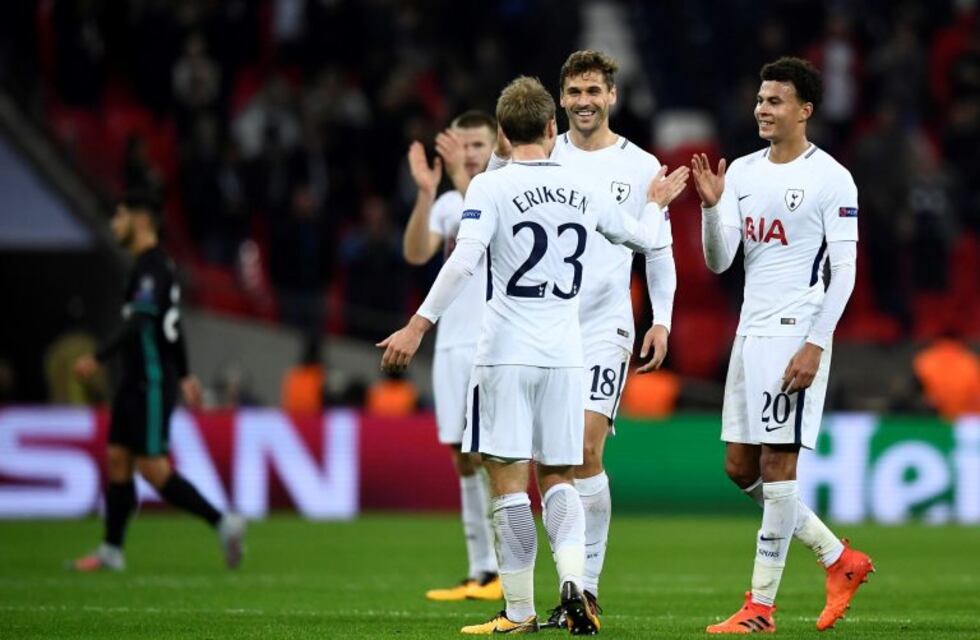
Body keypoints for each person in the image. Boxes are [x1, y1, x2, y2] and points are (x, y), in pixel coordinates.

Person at [378, 76, 687, 635]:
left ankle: (518, 611)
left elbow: (463, 261)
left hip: (507, 353)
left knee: (508, 483)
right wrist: (657, 206)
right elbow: (640, 238)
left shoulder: (490, 188)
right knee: (561, 477)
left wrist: (418, 323)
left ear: (501, 134)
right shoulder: (583, 187)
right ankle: (576, 584)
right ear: (551, 128)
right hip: (567, 354)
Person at [488, 50, 678, 626]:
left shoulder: (640, 165)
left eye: (593, 91)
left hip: (604, 326)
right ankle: (558, 584)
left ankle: (585, 588)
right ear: (560, 101)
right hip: (543, 328)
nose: (584, 101)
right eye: (574, 92)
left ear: (612, 97)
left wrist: (662, 319)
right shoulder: (542, 158)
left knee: (586, 449)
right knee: (550, 462)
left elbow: (658, 247)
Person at [692, 57, 873, 633]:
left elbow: (843, 272)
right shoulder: (742, 171)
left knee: (777, 467)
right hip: (751, 332)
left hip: (797, 331)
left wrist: (816, 344)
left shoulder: (831, 178)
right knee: (739, 466)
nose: (763, 110)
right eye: (760, 99)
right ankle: (838, 559)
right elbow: (721, 261)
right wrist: (712, 206)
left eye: (775, 101)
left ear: (805, 110)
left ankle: (761, 608)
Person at [71, 191, 245, 572]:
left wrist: (98, 356)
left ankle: (223, 522)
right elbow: (175, 325)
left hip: (150, 381)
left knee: (152, 468)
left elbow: (142, 323)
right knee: (118, 458)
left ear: (141, 220)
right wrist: (185, 374)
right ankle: (112, 550)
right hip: (136, 380)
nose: (114, 224)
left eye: (119, 215)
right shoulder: (149, 267)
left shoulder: (153, 268)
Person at [401, 110, 502, 601]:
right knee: (462, 458)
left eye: (476, 145)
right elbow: (417, 254)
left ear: (495, 145)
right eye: (460, 146)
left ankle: (506, 568)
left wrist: (462, 179)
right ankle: (480, 571)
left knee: (494, 454)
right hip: (452, 342)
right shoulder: (449, 200)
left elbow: (483, 231)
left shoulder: (503, 189)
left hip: (494, 341)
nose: (467, 154)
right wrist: (425, 194)